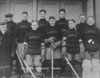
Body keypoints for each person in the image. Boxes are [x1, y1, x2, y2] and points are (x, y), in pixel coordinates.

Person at [16, 11, 31, 75]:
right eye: (23, 16)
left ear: (27, 16)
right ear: (22, 16)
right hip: (20, 43)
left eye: (26, 16)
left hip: (27, 43)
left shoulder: (29, 24)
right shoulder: (18, 24)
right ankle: (19, 71)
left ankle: (26, 70)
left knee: (26, 57)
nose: (24, 17)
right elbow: (16, 33)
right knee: (20, 57)